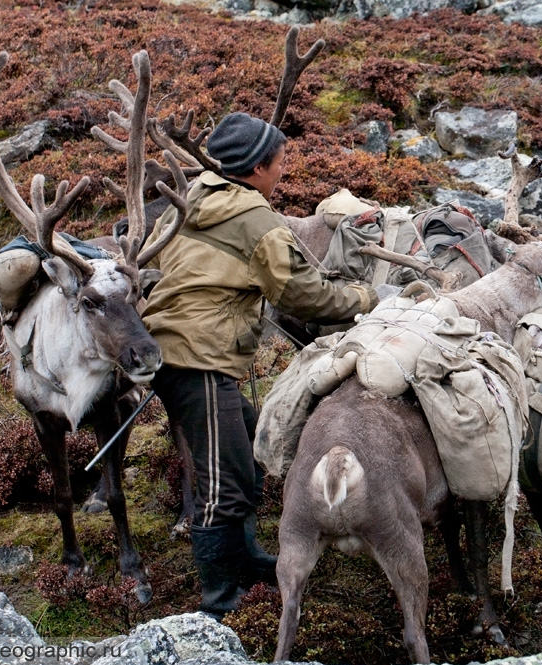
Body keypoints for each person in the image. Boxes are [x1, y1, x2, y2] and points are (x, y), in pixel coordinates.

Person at [140, 112, 378, 620]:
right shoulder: (255, 217)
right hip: (197, 357)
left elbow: (152, 260)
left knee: (247, 452)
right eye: (280, 162)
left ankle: (243, 558)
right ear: (257, 167)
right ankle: (219, 597)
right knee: (223, 481)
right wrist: (363, 296)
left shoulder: (192, 198)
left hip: (173, 349)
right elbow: (300, 292)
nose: (283, 171)